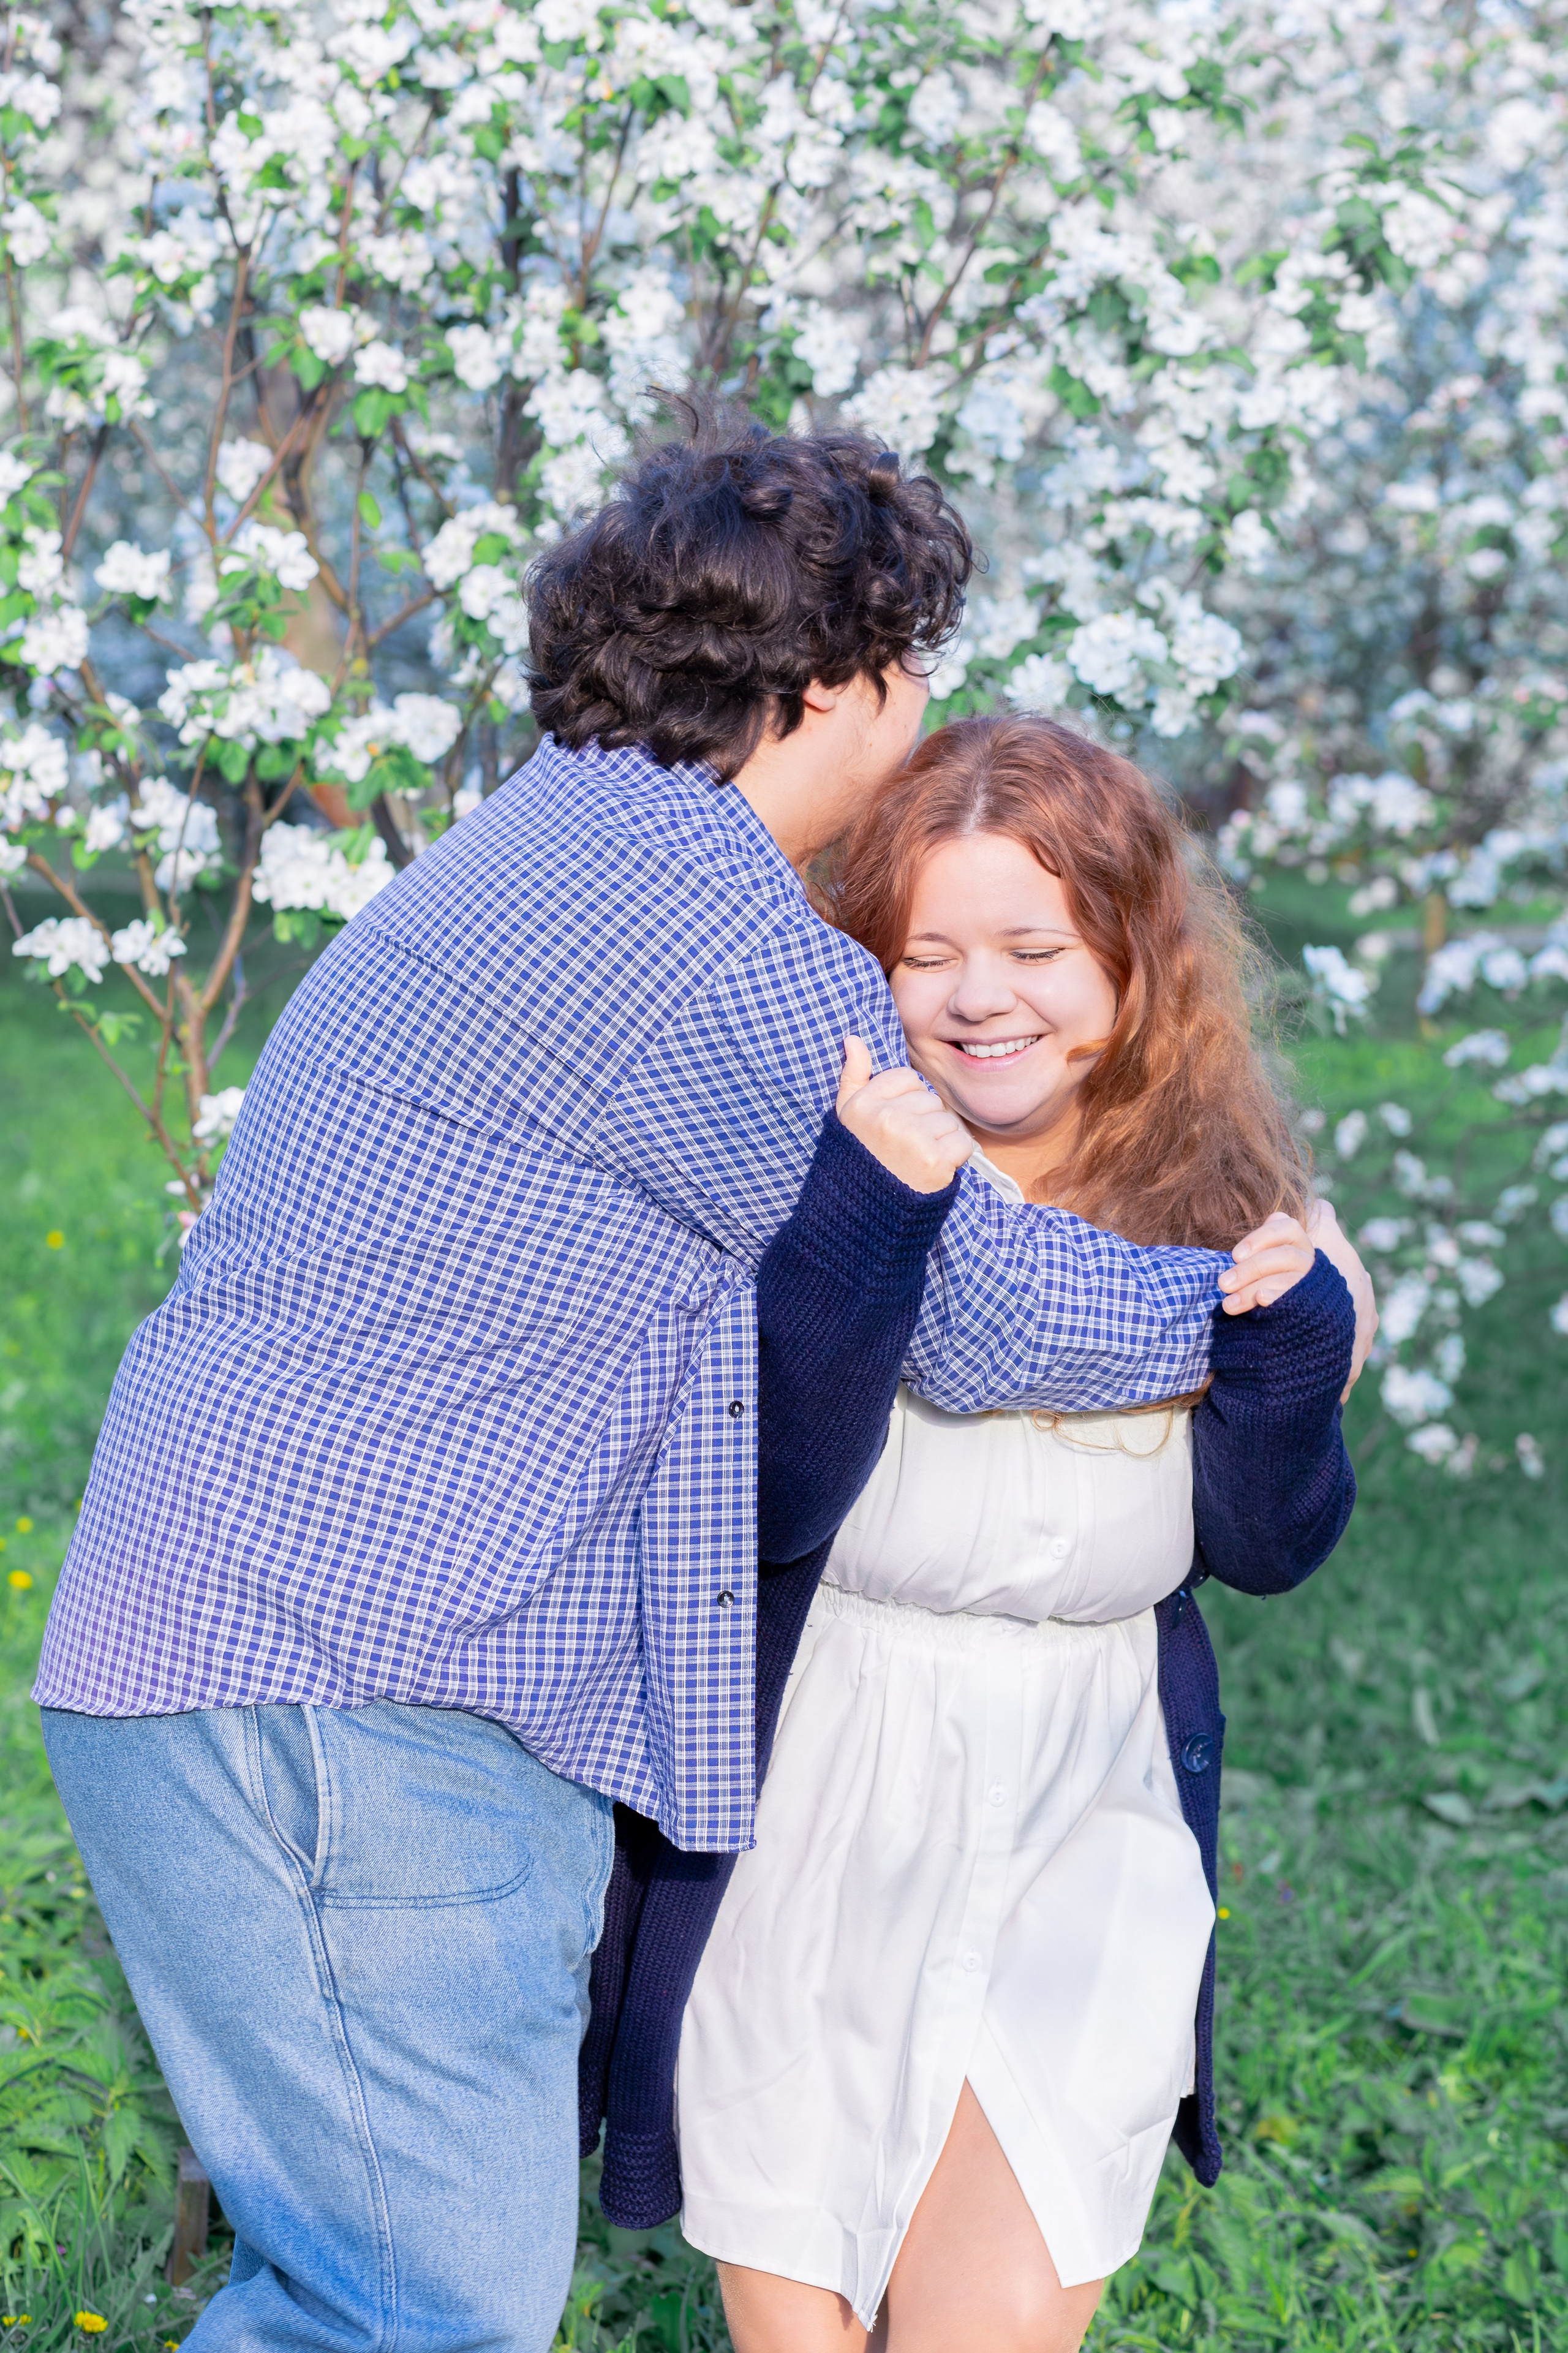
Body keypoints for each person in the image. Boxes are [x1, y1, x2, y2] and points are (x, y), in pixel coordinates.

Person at [36, 420, 1315, 2353]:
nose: (925, 715)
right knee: (407, 2312)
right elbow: (978, 1307)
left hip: (261, 1651)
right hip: (344, 1693)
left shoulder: (555, 837)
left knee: (377, 2295)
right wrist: (1261, 1310)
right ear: (842, 673)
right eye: (919, 668)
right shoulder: (714, 935)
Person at [665, 716, 1371, 2353]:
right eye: (928, 953)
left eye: (1035, 947)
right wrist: (868, 1222)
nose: (983, 997)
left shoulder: (1224, 1208)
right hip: (819, 1791)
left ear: (1131, 959)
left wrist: (1288, 1354)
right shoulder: (813, 1169)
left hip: (1085, 1797)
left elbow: (1270, 1542)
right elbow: (758, 1496)